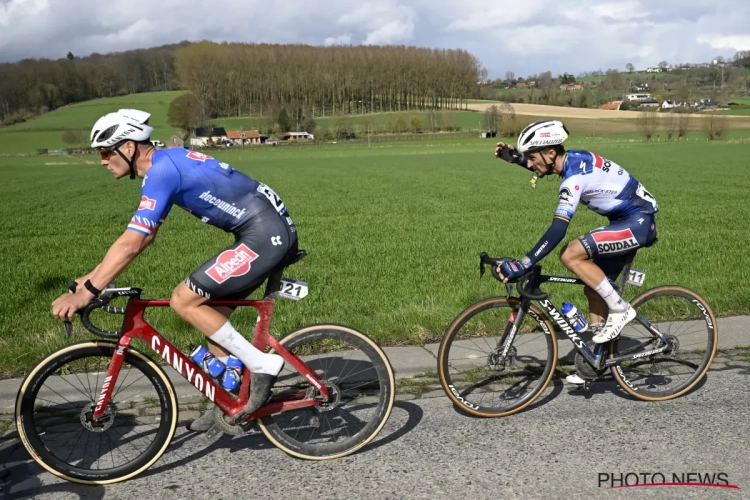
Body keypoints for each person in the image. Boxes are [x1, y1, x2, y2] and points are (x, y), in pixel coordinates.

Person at [51, 109, 298, 429]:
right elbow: (143, 235)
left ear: (128, 148)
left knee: (184, 299)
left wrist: (90, 291)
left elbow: (133, 243)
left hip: (265, 235)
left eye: (105, 152)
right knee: (211, 317)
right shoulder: (167, 162)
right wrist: (88, 279)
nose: (101, 160)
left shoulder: (163, 171)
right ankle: (231, 403)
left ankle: (263, 365)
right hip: (263, 230)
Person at [494, 120, 659, 384]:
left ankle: (620, 309)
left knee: (570, 254)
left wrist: (524, 263)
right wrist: (517, 160)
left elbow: (558, 229)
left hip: (639, 222)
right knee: (593, 288)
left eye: (533, 158)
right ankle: (594, 360)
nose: (531, 163)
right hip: (625, 222)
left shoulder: (573, 179)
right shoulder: (570, 159)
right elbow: (548, 167)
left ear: (550, 153)